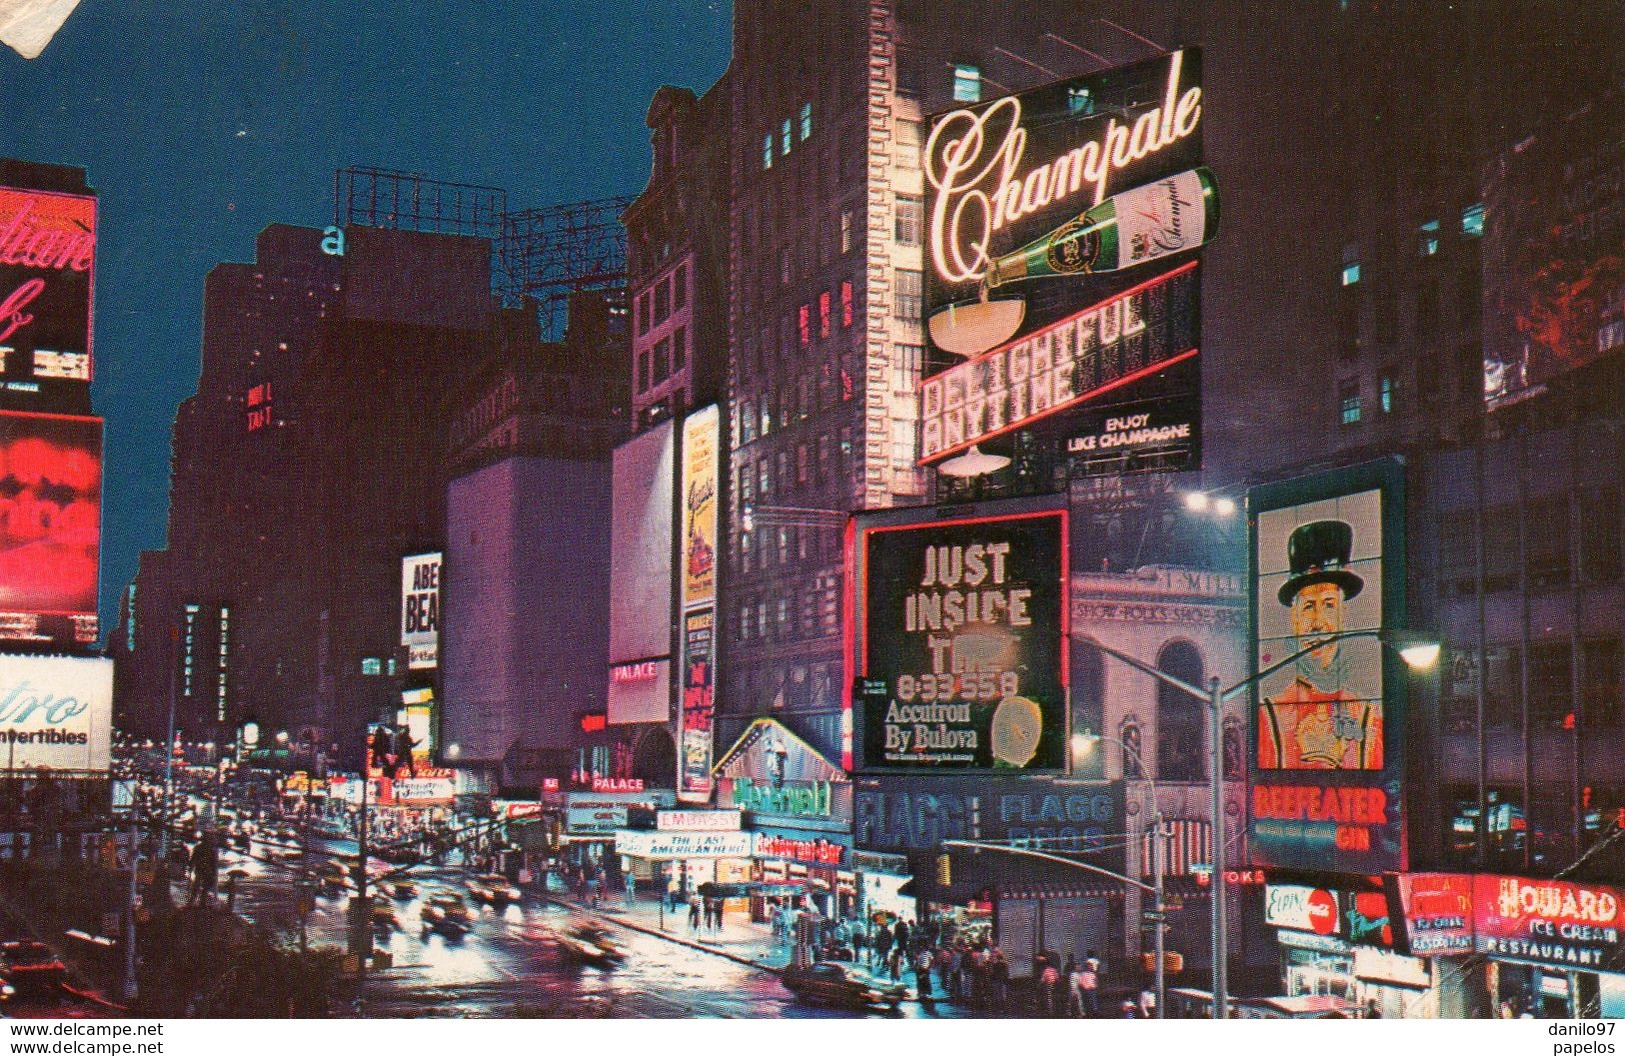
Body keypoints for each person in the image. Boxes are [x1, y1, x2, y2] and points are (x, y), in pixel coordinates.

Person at [1258, 519, 1383, 771]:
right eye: (1308, 607)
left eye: (1328, 605)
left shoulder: (1369, 718)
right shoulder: (1270, 717)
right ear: (1294, 618)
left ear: (1342, 615)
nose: (1317, 622)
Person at [1079, 950, 1101, 1017]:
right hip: (1094, 973)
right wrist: (1096, 971)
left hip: (1089, 980)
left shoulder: (1088, 961)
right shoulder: (1095, 960)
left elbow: (1085, 966)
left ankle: (1090, 1010)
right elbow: (1098, 966)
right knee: (1093, 997)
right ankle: (1094, 1010)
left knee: (1089, 998)